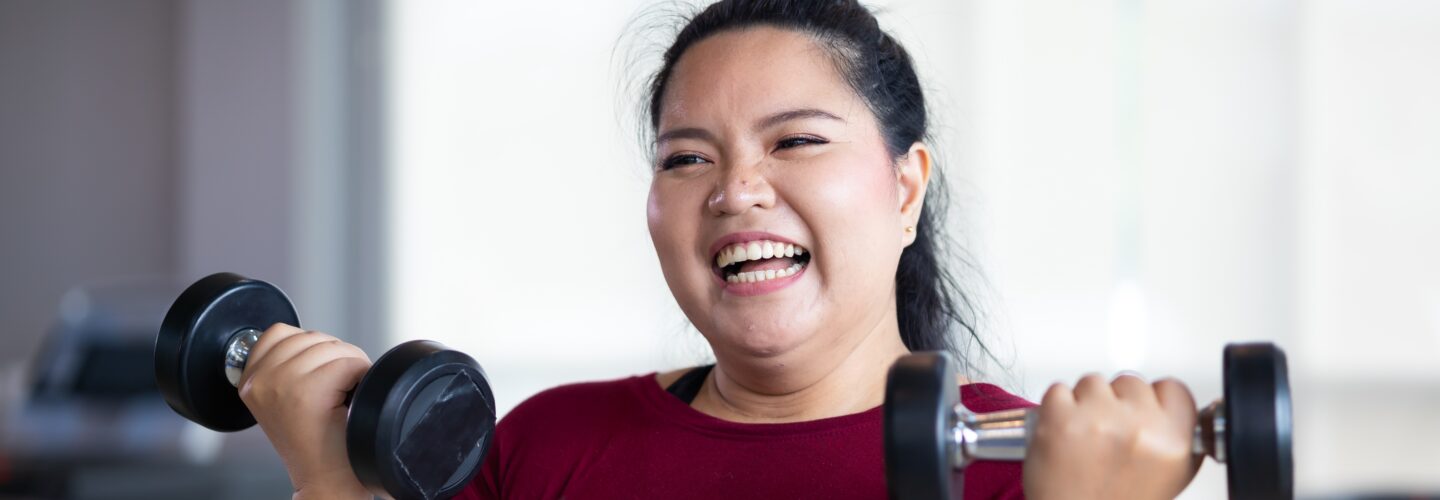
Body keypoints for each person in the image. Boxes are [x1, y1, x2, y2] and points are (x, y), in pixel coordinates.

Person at [236, 1, 1203, 499]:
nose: (735, 190)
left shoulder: (1042, 464)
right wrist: (327, 479)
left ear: (906, 187)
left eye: (796, 140)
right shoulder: (546, 446)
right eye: (689, 157)